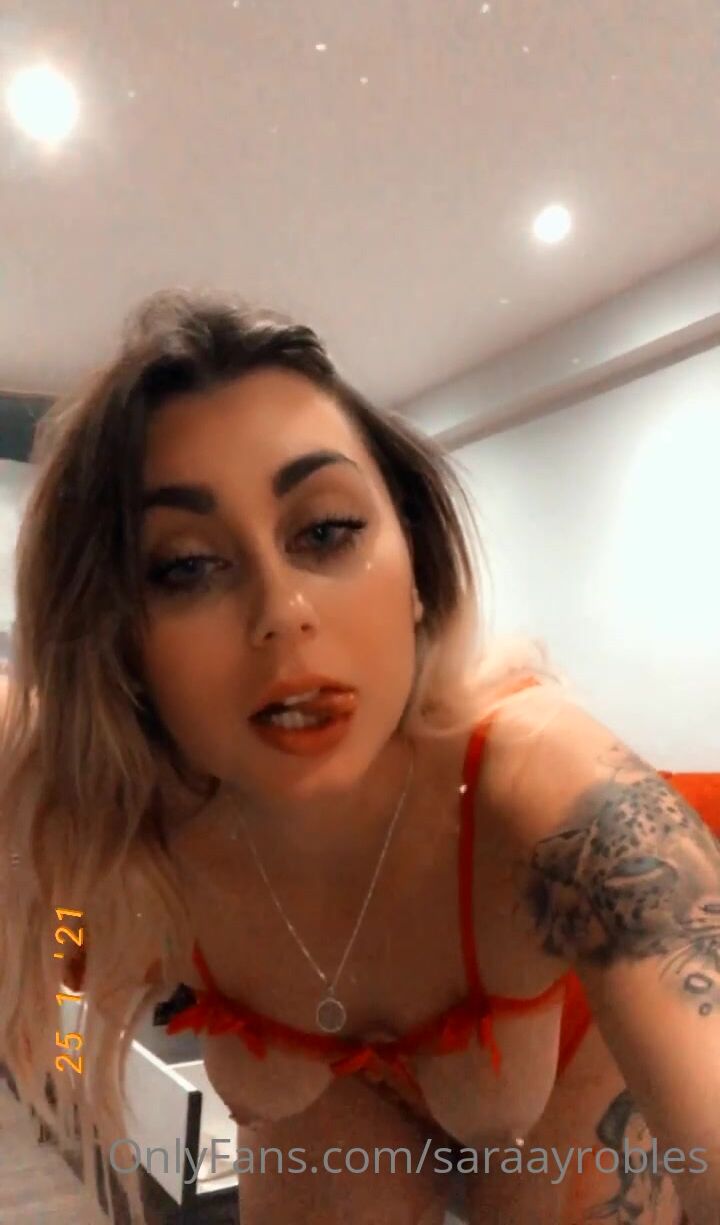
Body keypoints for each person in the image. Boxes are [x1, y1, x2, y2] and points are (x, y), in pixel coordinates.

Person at [0, 290, 718, 1225]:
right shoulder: (108, 795)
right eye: (186, 565)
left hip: (562, 1076)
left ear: (418, 567)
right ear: (120, 642)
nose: (281, 611)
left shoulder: (550, 785)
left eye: (326, 530)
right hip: (324, 1092)